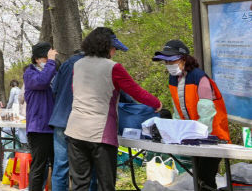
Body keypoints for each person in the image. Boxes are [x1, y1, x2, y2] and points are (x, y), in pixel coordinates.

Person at [66, 27, 162, 191]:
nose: (115, 52)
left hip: (75, 131)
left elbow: (75, 91)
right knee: (106, 184)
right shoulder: (113, 67)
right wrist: (156, 103)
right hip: (100, 133)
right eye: (114, 48)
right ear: (106, 47)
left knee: (79, 184)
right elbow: (136, 92)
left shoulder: (78, 64)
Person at [152, 39, 230, 191]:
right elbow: (177, 110)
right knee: (200, 179)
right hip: (193, 138)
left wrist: (198, 136)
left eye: (171, 61)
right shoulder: (173, 79)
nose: (169, 65)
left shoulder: (199, 77)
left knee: (206, 179)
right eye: (166, 62)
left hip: (213, 137)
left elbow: (207, 111)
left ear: (184, 59)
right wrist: (176, 133)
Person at [48, 49, 100, 191]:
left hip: (60, 120)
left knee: (60, 166)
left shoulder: (66, 65)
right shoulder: (94, 65)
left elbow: (54, 89)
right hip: (82, 122)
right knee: (88, 167)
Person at [23, 42, 59, 191]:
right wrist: (51, 62)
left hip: (54, 126)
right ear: (37, 59)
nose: (49, 61)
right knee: (39, 166)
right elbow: (42, 82)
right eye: (46, 58)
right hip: (39, 128)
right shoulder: (30, 74)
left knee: (57, 164)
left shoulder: (54, 73)